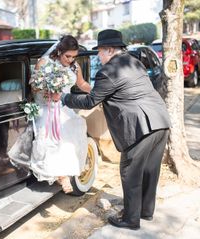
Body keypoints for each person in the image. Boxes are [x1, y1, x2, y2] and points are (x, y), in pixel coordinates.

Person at [61, 29, 171, 229]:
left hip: (142, 126)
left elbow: (91, 100)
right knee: (150, 170)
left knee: (130, 171)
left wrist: (64, 98)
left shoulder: (108, 71)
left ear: (110, 50)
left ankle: (130, 219)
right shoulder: (134, 62)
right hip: (161, 120)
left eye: (100, 52)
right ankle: (145, 212)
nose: (98, 56)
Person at [30, 35, 91, 193]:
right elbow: (33, 88)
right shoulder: (44, 63)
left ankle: (64, 173)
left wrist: (98, 92)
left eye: (74, 57)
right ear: (59, 51)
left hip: (62, 107)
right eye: (67, 56)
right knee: (53, 136)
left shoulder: (74, 67)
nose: (70, 60)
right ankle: (62, 176)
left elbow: (82, 84)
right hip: (45, 107)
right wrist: (49, 89)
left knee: (72, 129)